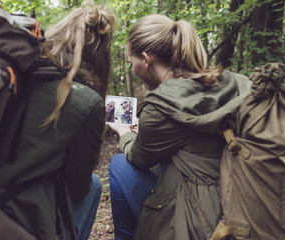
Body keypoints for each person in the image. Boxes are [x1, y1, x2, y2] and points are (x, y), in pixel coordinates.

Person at [107, 14, 251, 240]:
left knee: (118, 164)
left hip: (197, 221)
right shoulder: (234, 82)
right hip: (242, 205)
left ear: (145, 59)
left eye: (130, 61)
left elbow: (138, 157)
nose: (131, 67)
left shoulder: (162, 104)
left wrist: (124, 134)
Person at [0, 2, 115, 240]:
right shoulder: (86, 101)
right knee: (93, 186)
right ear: (100, 56)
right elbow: (77, 187)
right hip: (10, 218)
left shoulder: (15, 71)